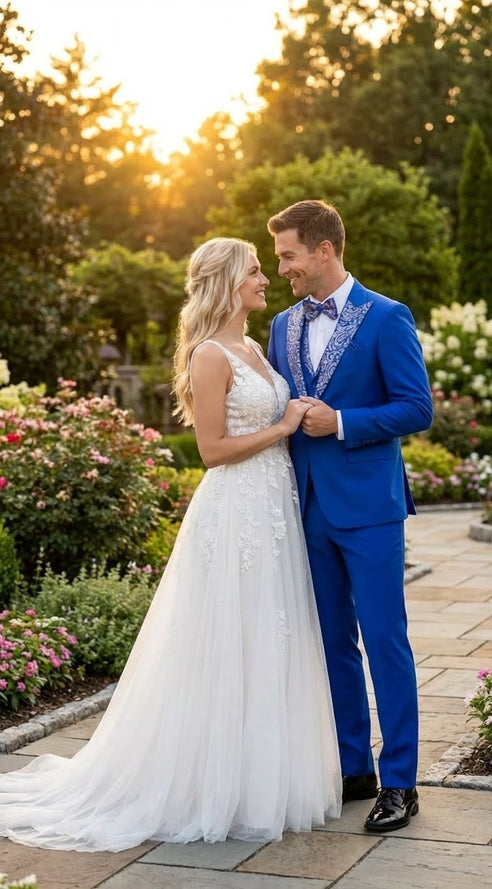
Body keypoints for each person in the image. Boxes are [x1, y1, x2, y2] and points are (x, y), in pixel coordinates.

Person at [0, 237, 342, 852]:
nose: (266, 278)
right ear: (228, 282)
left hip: (272, 511)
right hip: (235, 509)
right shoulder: (212, 355)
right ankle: (204, 785)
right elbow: (211, 452)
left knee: (270, 635)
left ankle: (255, 781)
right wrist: (283, 425)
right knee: (223, 640)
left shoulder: (255, 349)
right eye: (256, 271)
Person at [267, 200, 433, 833]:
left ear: (324, 250)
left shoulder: (387, 317)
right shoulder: (281, 325)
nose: (283, 268)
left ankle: (401, 782)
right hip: (306, 505)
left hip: (369, 510)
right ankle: (353, 766)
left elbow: (416, 408)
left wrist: (342, 423)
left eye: (288, 255)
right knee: (333, 641)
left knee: (385, 640)